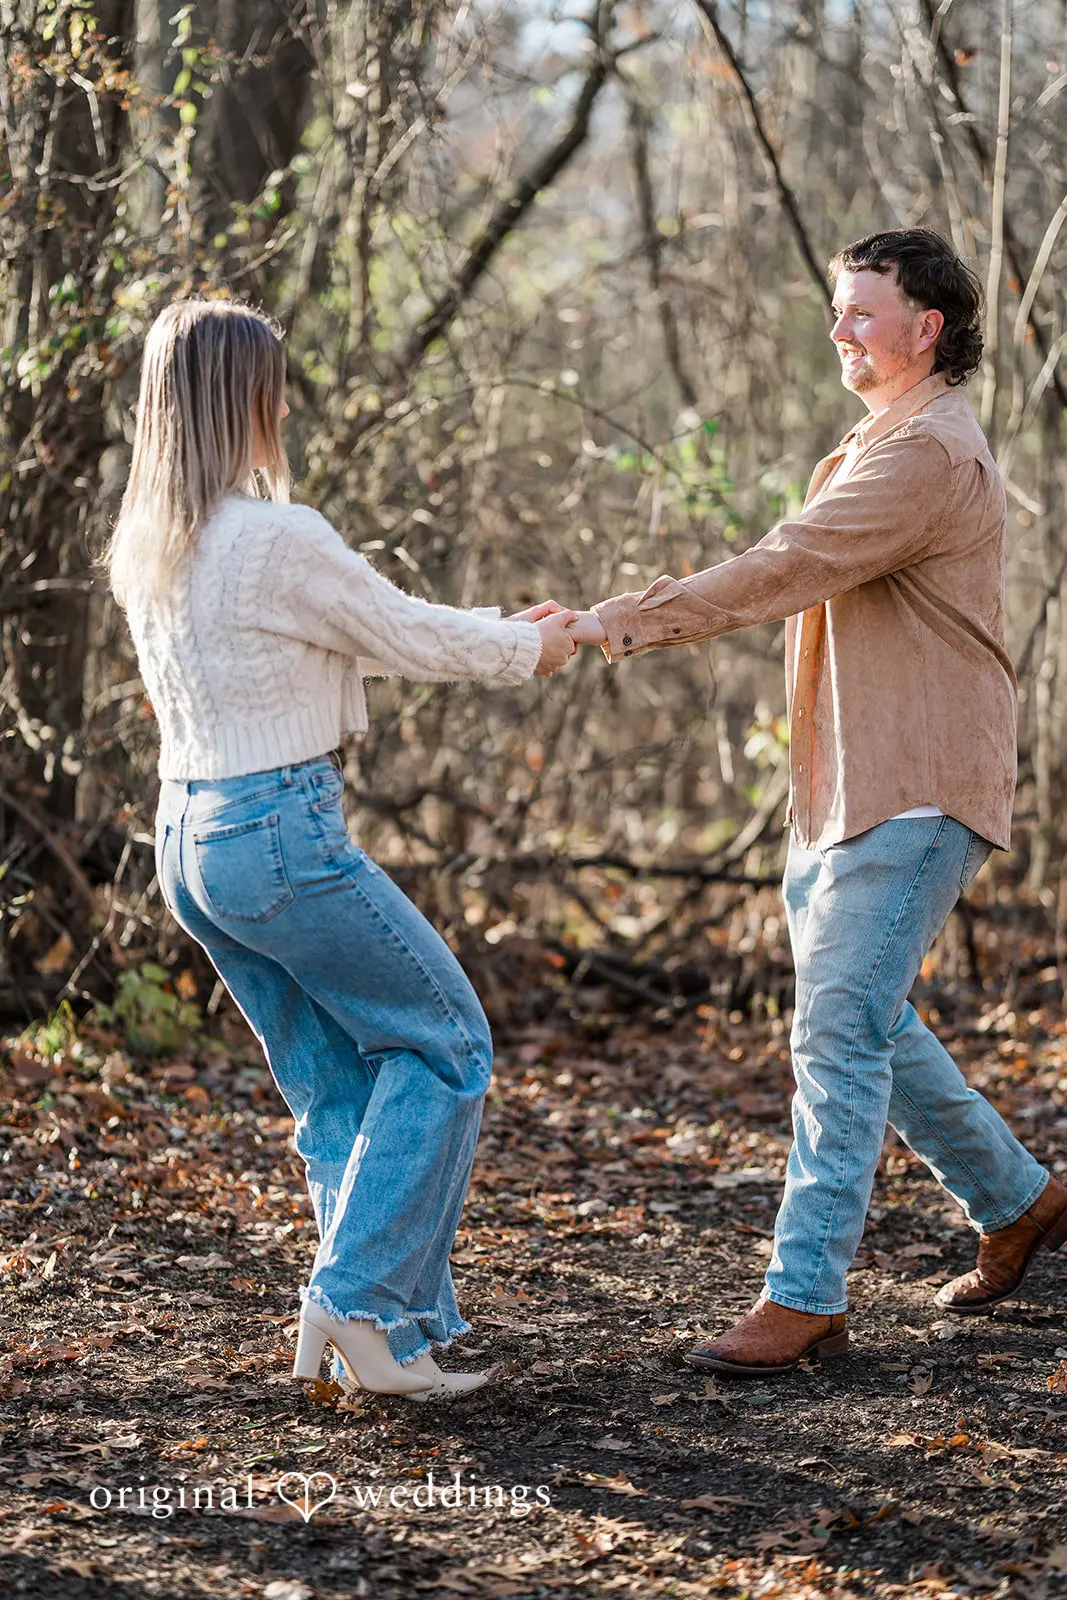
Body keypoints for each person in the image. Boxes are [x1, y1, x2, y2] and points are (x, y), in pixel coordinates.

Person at [565, 228, 1067, 1375]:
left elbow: (784, 564)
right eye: (835, 310)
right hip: (851, 781)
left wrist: (620, 618)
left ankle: (804, 1293)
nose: (836, 330)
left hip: (920, 777)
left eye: (858, 313)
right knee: (870, 1022)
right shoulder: (879, 437)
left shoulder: (926, 453)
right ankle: (1020, 1202)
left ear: (923, 328)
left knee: (833, 1029)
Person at [99, 298, 579, 1401]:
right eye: (271, 384)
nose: (282, 403)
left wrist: (516, 630)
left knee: (332, 1087)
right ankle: (361, 1300)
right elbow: (400, 631)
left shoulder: (150, 542)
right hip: (276, 832)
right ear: (244, 399)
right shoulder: (272, 535)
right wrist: (533, 649)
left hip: (190, 838)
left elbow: (362, 626)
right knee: (446, 1041)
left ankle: (383, 1335)